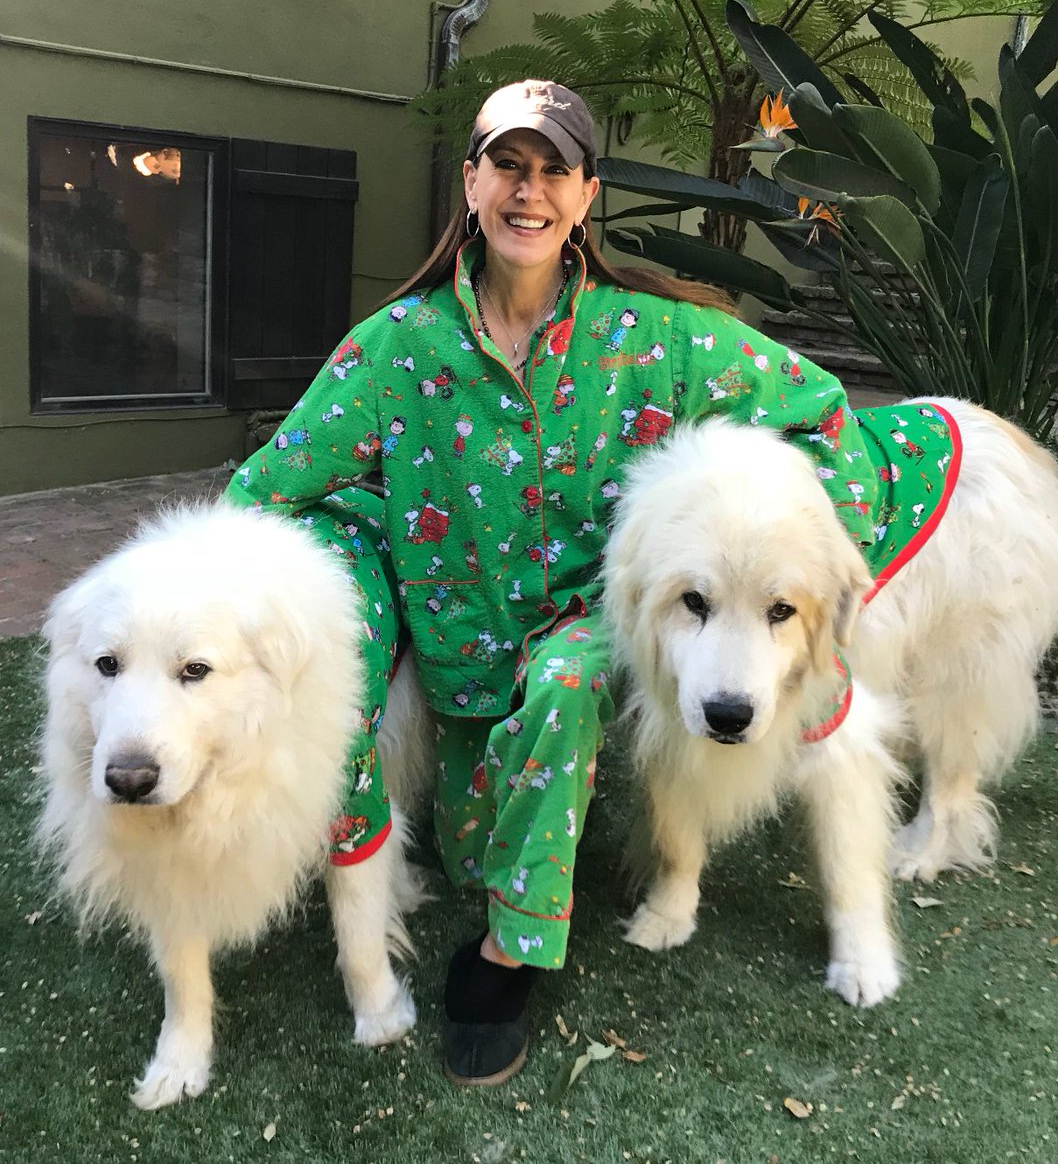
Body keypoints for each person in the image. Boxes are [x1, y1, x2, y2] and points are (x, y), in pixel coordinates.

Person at [224, 79, 880, 1086]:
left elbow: (823, 412)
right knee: (465, 851)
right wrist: (359, 556)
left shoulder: (656, 340)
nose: (528, 192)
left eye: (553, 171)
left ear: (585, 196)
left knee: (568, 688)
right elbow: (265, 494)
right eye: (508, 167)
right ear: (471, 184)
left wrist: (809, 541)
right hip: (458, 663)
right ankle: (499, 862)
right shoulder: (395, 350)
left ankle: (508, 957)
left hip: (580, 633)